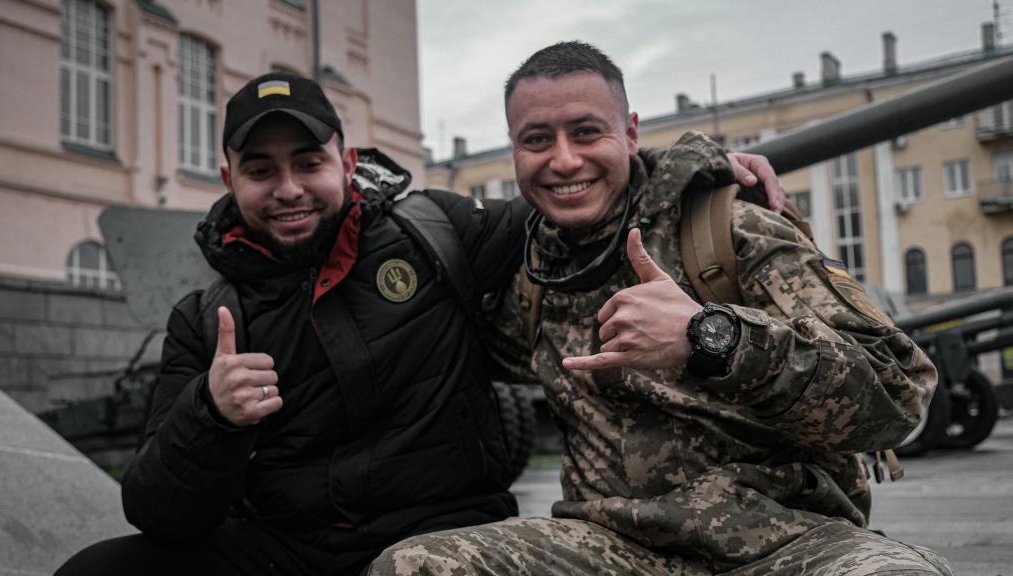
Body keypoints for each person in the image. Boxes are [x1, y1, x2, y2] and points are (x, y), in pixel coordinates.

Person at [55, 72, 781, 576]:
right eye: (261, 170)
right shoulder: (209, 318)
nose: (288, 190)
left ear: (345, 161)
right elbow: (157, 509)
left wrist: (698, 168)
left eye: (308, 162)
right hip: (290, 549)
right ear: (229, 181)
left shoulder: (437, 231)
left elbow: (575, 192)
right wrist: (210, 416)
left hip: (448, 538)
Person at [368, 42, 953, 575]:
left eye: (587, 132)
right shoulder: (531, 272)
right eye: (537, 139)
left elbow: (897, 392)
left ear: (630, 134)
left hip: (787, 545)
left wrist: (713, 337)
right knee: (416, 567)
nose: (564, 160)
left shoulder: (730, 229)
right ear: (515, 149)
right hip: (609, 550)